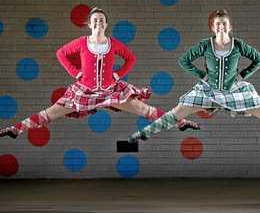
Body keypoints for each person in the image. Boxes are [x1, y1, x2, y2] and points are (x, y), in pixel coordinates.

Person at [0, 7, 199, 139]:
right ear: (89, 24)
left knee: (144, 109)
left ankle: (180, 122)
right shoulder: (81, 43)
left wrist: (118, 74)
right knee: (50, 113)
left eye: (101, 20)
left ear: (105, 24)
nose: (98, 23)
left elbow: (131, 58)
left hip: (110, 91)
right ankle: (16, 129)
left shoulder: (113, 44)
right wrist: (75, 73)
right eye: (94, 20)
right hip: (83, 92)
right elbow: (61, 54)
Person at [128, 9, 260, 143]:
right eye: (217, 24)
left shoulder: (238, 45)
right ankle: (143, 134)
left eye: (224, 24)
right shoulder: (205, 45)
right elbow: (184, 60)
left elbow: (259, 59)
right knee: (176, 112)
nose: (221, 27)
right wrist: (202, 75)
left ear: (230, 26)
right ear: (212, 27)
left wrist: (242, 74)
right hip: (208, 90)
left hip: (233, 90)